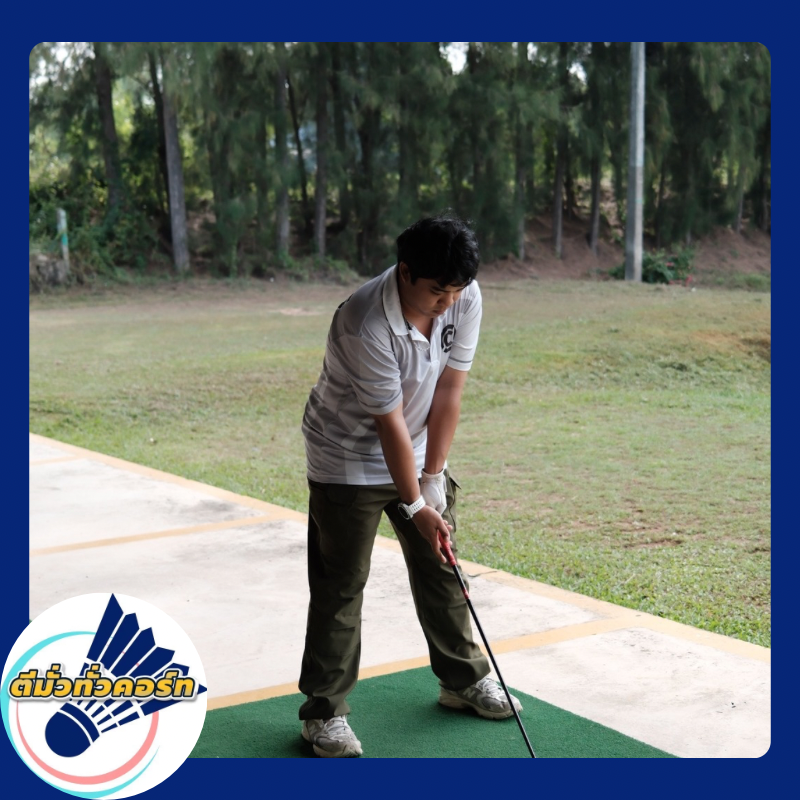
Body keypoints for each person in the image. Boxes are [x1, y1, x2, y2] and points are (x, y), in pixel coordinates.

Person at [298, 212, 522, 758]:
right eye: (437, 291)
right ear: (404, 272)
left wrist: (433, 479)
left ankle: (462, 680)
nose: (448, 302)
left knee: (442, 566)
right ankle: (324, 713)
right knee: (341, 586)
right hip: (347, 458)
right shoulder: (364, 321)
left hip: (417, 451)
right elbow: (389, 422)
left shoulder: (464, 296)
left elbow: (449, 391)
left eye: (456, 291)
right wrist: (415, 502)